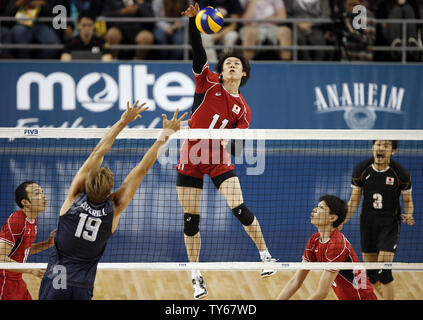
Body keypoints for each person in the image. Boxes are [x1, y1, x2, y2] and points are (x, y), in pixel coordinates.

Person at [38, 101, 186, 300]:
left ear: (85, 184)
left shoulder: (73, 197)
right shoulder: (114, 208)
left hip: (58, 277)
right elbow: (141, 170)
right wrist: (165, 136)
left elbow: (98, 152)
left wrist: (123, 121)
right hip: (83, 284)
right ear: (110, 192)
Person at [179, 3, 276, 300]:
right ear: (220, 71)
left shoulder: (243, 109)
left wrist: (227, 141)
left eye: (237, 63)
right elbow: (198, 52)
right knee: (191, 220)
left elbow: (237, 144)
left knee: (239, 208)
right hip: (191, 156)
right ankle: (196, 276)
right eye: (227, 63)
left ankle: (265, 255)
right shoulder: (207, 83)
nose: (231, 65)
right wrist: (194, 22)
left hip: (217, 159)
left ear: (243, 73)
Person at [341, 140, 415, 300]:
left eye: (386, 145)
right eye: (378, 144)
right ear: (373, 148)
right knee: (372, 274)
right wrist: (341, 221)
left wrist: (409, 214)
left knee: (385, 272)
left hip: (390, 224)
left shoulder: (401, 173)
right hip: (368, 223)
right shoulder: (361, 169)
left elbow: (408, 201)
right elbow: (353, 202)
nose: (381, 148)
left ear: (392, 151)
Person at [278, 195, 377, 300]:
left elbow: (322, 292)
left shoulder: (337, 244)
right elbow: (296, 281)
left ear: (332, 218)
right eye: (317, 206)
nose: (314, 210)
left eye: (321, 207)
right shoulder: (314, 240)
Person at [0, 181, 56, 300]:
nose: (43, 196)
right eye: (37, 193)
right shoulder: (16, 221)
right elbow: (0, 257)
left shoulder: (32, 221)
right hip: (4, 282)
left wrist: (48, 244)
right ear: (25, 203)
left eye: (42, 192)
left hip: (16, 280)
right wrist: (30, 270)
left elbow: (23, 250)